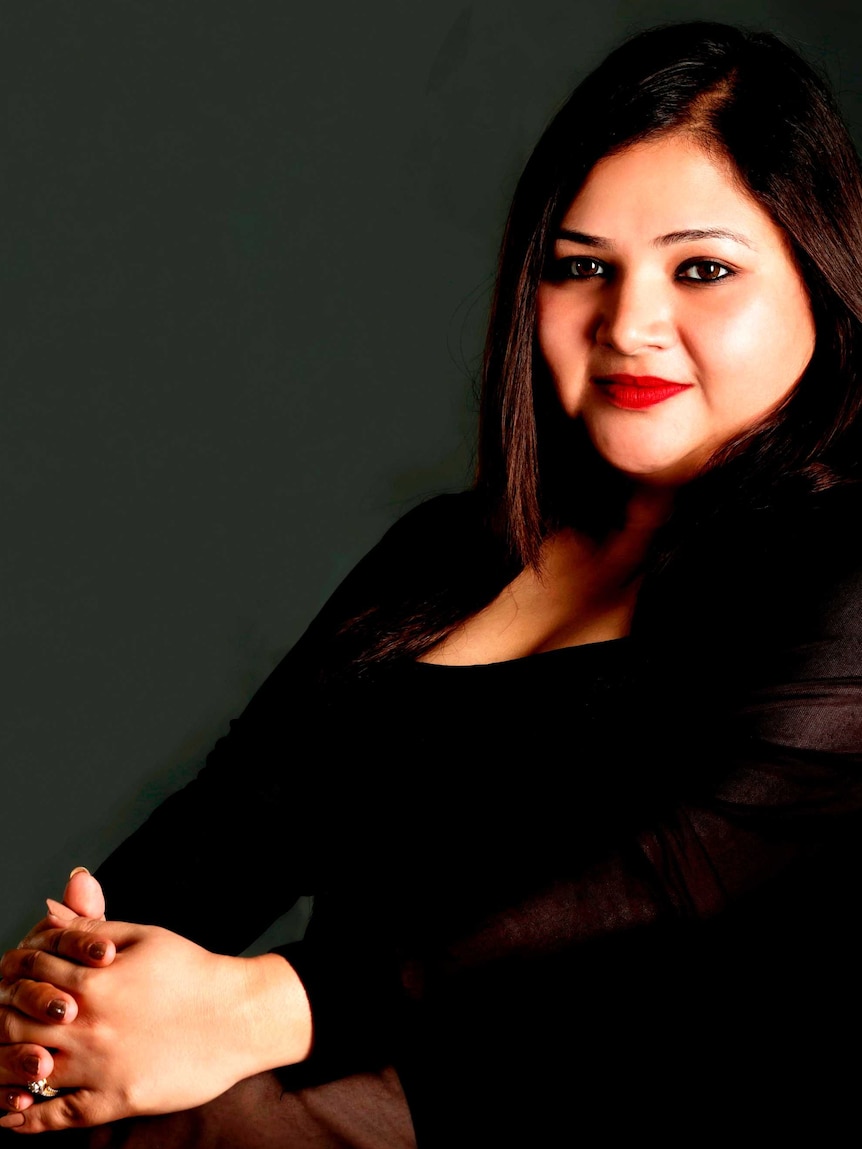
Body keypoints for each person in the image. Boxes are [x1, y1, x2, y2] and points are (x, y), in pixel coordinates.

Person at [2, 18, 862, 1145]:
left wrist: (265, 1008)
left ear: (821, 279)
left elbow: (663, 883)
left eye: (702, 269)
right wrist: (61, 1002)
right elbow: (241, 815)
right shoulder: (450, 551)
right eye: (580, 267)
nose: (629, 325)